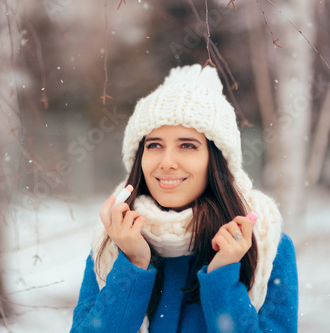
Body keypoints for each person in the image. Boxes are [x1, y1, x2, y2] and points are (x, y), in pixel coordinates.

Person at [70, 64, 298, 332]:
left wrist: (223, 274)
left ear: (216, 160)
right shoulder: (112, 241)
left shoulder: (265, 243)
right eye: (154, 145)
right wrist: (133, 263)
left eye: (187, 145)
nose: (167, 162)